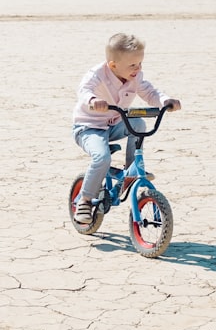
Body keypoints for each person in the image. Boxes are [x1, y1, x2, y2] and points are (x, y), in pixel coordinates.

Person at [71, 33, 181, 223]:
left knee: (138, 123)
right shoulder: (97, 75)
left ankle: (132, 169)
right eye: (132, 65)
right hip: (89, 127)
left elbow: (149, 91)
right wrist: (93, 100)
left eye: (140, 64)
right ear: (113, 65)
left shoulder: (135, 76)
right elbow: (84, 90)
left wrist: (165, 101)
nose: (137, 69)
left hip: (114, 123)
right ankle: (85, 200)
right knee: (102, 157)